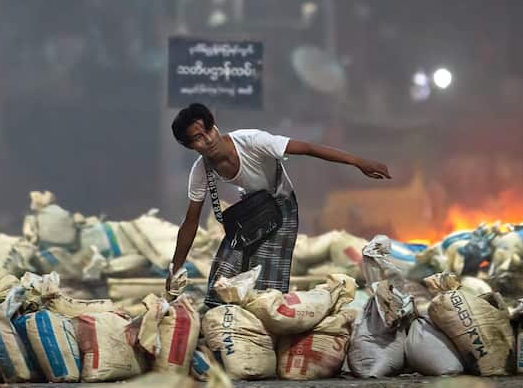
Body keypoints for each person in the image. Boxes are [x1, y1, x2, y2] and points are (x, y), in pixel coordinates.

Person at [167, 103, 391, 307]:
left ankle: (268, 325)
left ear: (215, 126)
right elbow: (191, 222)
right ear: (190, 146)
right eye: (197, 138)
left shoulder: (252, 141)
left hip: (282, 208)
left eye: (208, 130)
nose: (207, 139)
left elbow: (307, 149)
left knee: (268, 286)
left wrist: (360, 162)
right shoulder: (200, 170)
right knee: (223, 276)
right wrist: (175, 270)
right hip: (253, 212)